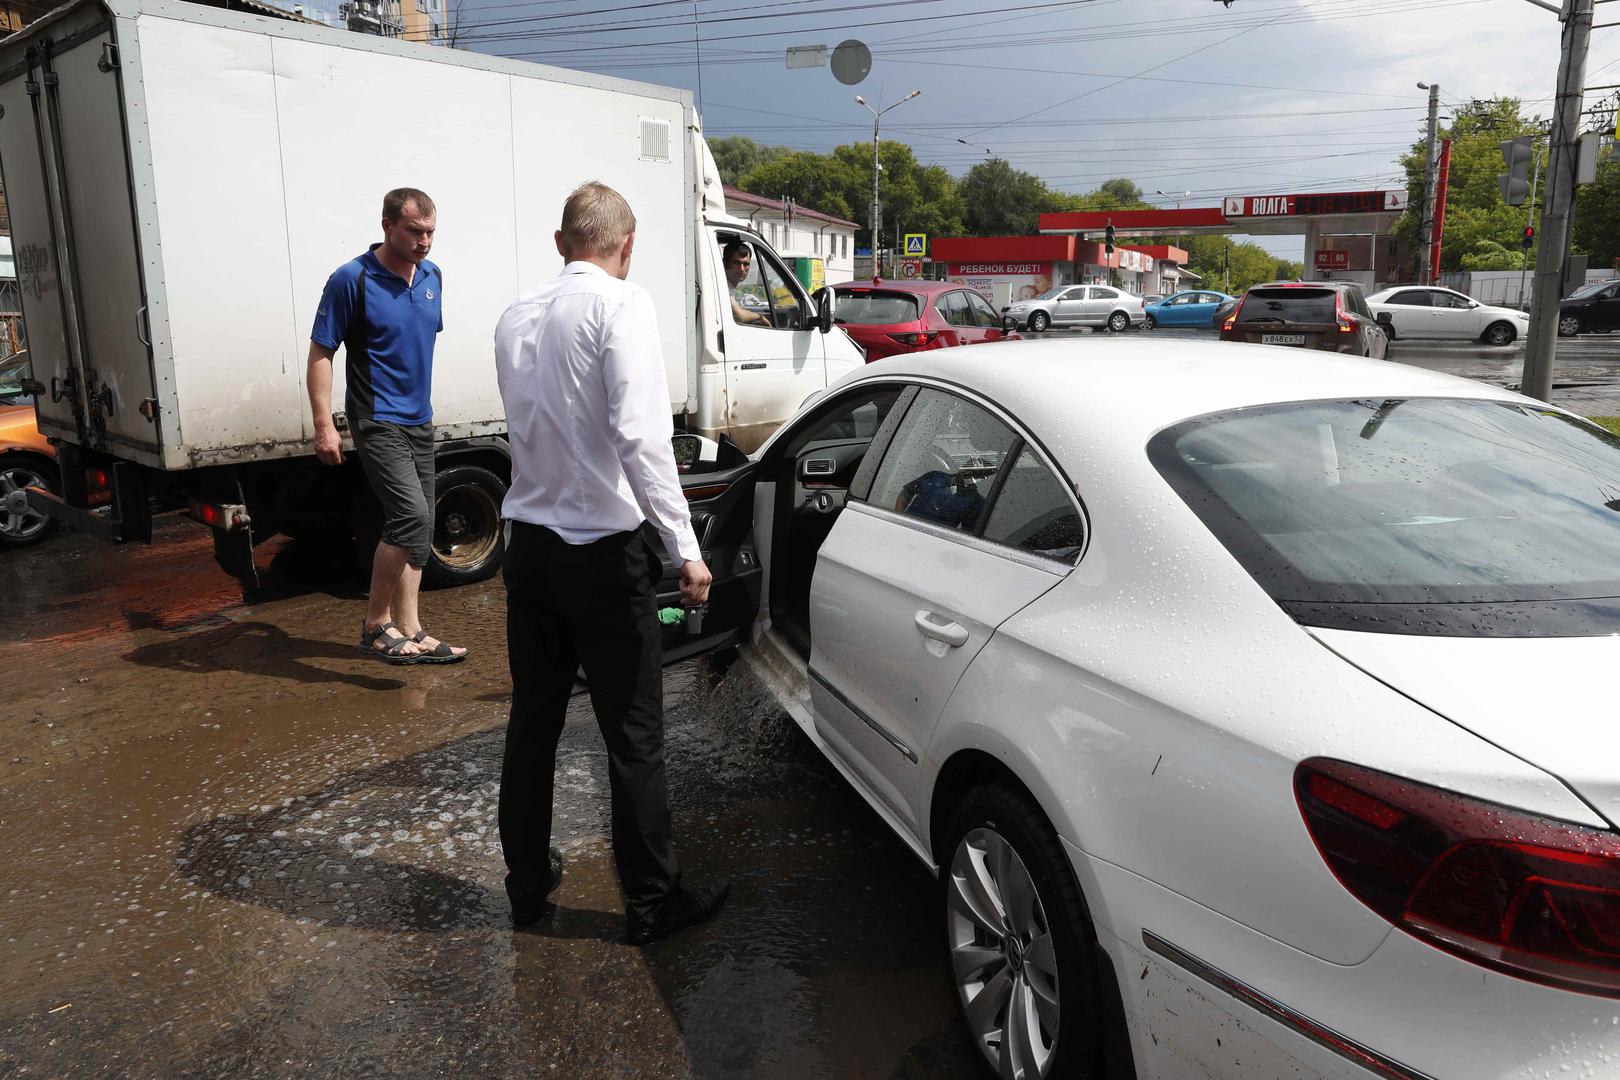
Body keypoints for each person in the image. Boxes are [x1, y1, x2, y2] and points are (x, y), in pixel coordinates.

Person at [494, 180, 728, 944]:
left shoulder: (515, 317)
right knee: (633, 734)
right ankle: (654, 904)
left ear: (563, 242)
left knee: (533, 724)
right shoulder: (622, 305)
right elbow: (640, 439)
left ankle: (527, 890)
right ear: (626, 248)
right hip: (601, 556)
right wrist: (685, 549)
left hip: (528, 547)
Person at [307, 187, 466, 666]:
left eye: (430, 231)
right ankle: (375, 625)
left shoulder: (433, 275)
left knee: (424, 526)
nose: (424, 241)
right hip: (377, 419)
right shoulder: (351, 279)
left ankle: (411, 628)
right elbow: (321, 352)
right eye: (414, 231)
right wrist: (324, 424)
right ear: (387, 226)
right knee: (409, 517)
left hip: (421, 419)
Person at [722, 239, 770, 326]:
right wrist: (760, 317)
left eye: (746, 264)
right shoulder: (723, 286)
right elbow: (740, 316)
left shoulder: (730, 286)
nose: (741, 269)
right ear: (725, 263)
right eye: (736, 263)